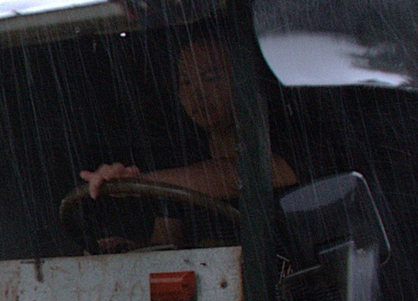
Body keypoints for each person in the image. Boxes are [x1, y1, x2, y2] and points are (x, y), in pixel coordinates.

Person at [79, 37, 297, 199]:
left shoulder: (294, 140)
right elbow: (168, 240)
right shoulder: (183, 154)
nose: (198, 94)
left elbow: (241, 177)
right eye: (186, 82)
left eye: (211, 77)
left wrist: (137, 183)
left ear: (245, 81)